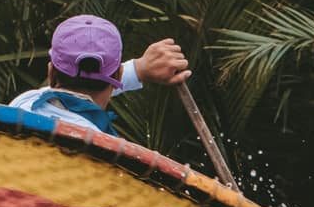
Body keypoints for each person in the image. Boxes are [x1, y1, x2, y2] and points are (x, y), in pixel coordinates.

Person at [10, 16, 191, 134]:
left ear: (51, 73)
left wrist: (139, 69)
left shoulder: (22, 105)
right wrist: (139, 69)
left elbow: (75, 97)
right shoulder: (109, 153)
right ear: (118, 77)